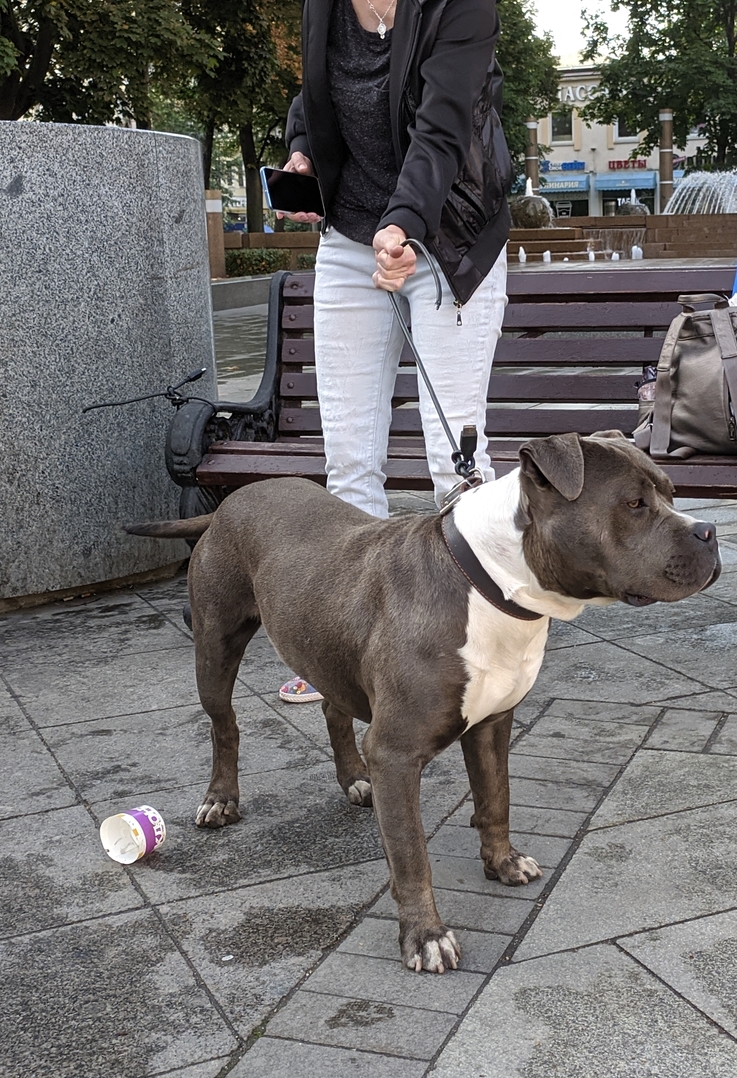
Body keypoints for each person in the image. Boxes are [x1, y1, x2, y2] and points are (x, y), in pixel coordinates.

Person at [273, 0, 513, 703]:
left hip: (449, 236)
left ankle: (487, 630)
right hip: (350, 239)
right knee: (348, 460)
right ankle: (353, 647)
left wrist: (404, 223)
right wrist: (302, 148)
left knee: (454, 458)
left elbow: (443, 126)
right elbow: (318, 93)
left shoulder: (461, 8)